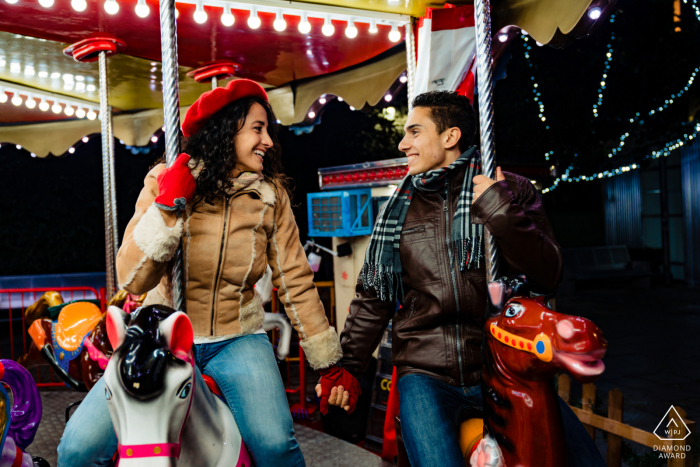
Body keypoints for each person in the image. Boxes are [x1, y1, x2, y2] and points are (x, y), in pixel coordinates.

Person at [57, 79, 344, 467]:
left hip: (236, 337)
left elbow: (294, 278)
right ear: (226, 131)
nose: (268, 142)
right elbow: (132, 279)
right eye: (257, 129)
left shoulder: (270, 196)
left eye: (267, 131)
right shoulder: (164, 179)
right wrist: (167, 209)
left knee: (276, 446)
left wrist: (327, 362)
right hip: (160, 334)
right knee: (76, 449)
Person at [317, 91, 605, 467]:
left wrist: (500, 212)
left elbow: (547, 274)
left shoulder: (510, 189)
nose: (404, 144)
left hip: (498, 366)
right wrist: (349, 369)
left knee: (584, 460)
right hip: (426, 371)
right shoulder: (397, 210)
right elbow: (374, 298)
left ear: (450, 137)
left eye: (415, 131)